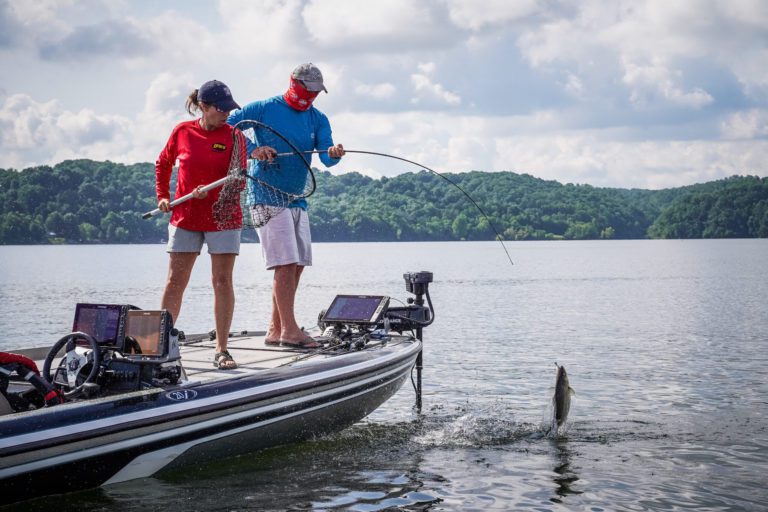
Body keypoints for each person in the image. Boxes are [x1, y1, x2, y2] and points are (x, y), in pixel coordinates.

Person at [227, 63, 345, 348]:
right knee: (285, 263)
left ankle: (276, 328)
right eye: (308, 89)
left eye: (316, 91)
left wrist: (334, 154)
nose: (311, 96)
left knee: (297, 265)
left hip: (297, 198)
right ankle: (290, 330)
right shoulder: (265, 108)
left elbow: (326, 158)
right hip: (265, 194)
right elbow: (228, 126)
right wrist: (253, 150)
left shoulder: (318, 118)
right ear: (294, 83)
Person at [155, 79, 246, 370]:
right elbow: (163, 163)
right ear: (204, 107)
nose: (227, 114)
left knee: (222, 281)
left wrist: (212, 190)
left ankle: (222, 349)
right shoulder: (182, 131)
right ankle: (160, 346)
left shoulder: (235, 137)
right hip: (185, 217)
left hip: (224, 218)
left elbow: (240, 181)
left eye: (230, 109)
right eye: (222, 109)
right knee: (175, 282)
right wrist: (163, 196)